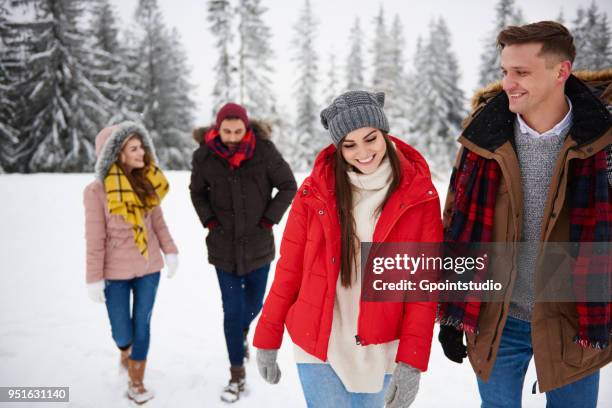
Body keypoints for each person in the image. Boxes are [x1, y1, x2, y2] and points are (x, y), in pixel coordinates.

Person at [437, 21, 612, 408]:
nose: (508, 83)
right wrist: (451, 311)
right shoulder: (484, 137)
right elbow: (456, 222)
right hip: (498, 318)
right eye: (504, 72)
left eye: (521, 72)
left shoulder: (603, 141)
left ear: (560, 71)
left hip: (574, 320)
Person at [253, 90, 443, 408]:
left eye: (370, 138)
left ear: (384, 133)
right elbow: (290, 270)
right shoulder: (314, 193)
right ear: (338, 148)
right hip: (319, 342)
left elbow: (422, 287)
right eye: (349, 145)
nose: (363, 152)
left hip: (383, 347)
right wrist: (267, 338)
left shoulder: (418, 196)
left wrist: (411, 360)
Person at [189, 102, 297, 403]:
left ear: (247, 128)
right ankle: (236, 373)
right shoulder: (204, 155)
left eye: (238, 131)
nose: (233, 137)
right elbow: (196, 191)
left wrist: (267, 219)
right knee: (232, 311)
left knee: (253, 305)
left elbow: (289, 185)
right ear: (217, 129)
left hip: (258, 245)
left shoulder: (264, 151)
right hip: (223, 247)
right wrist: (210, 220)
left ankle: (241, 333)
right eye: (227, 131)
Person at [84, 121, 179, 404]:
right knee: (121, 330)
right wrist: (93, 278)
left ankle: (136, 381)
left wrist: (170, 251)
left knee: (142, 324)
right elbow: (95, 239)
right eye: (134, 148)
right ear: (115, 153)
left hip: (149, 269)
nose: (142, 153)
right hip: (115, 272)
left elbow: (158, 223)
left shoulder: (146, 180)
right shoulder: (96, 192)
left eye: (142, 147)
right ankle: (124, 351)